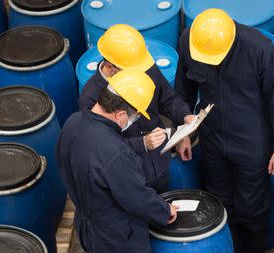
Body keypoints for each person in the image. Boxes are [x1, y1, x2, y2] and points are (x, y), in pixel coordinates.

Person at [58, 69, 177, 253]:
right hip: (121, 237)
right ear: (121, 114)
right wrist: (164, 211)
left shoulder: (74, 124)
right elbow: (135, 196)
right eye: (135, 114)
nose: (136, 119)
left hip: (89, 226)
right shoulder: (113, 151)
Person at [174, 9, 274, 253]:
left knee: (253, 201)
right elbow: (183, 91)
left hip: (252, 138)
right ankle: (235, 251)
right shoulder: (190, 42)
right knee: (219, 196)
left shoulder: (260, 49)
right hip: (212, 135)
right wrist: (183, 133)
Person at [79, 24, 195, 193]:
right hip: (128, 175)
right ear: (111, 66)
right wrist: (142, 144)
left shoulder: (142, 67)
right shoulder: (91, 98)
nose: (140, 76)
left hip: (159, 160)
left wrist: (184, 119)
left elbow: (167, 99)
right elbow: (100, 146)